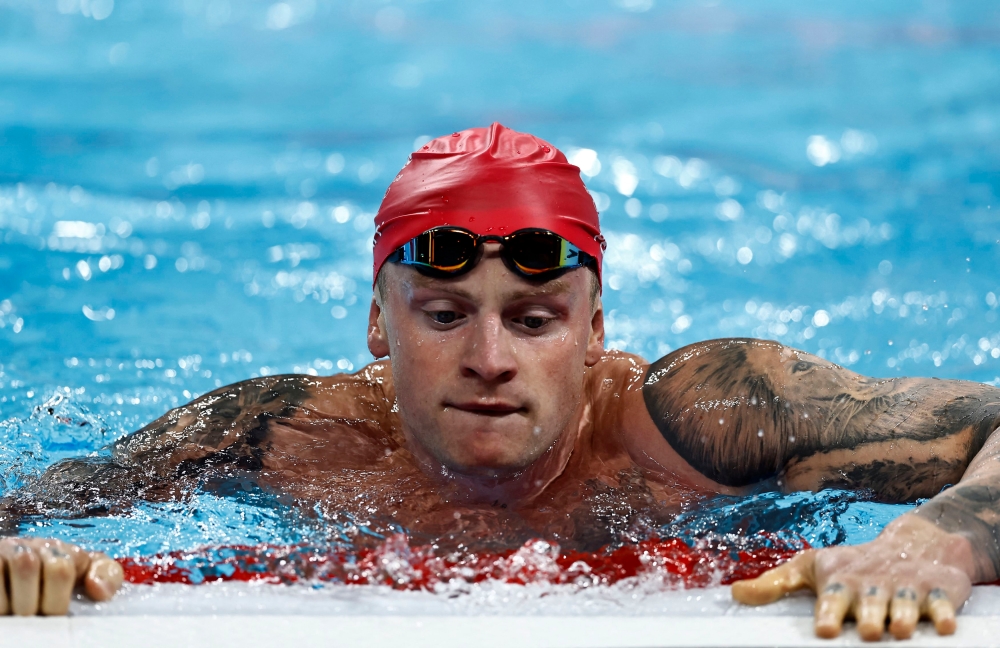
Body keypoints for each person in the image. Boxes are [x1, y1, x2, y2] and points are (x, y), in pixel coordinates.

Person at [4, 124, 999, 641]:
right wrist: (22, 553)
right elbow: (44, 500)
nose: (489, 357)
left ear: (596, 329)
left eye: (534, 320)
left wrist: (939, 535)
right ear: (374, 327)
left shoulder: (702, 414)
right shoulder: (285, 433)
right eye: (442, 316)